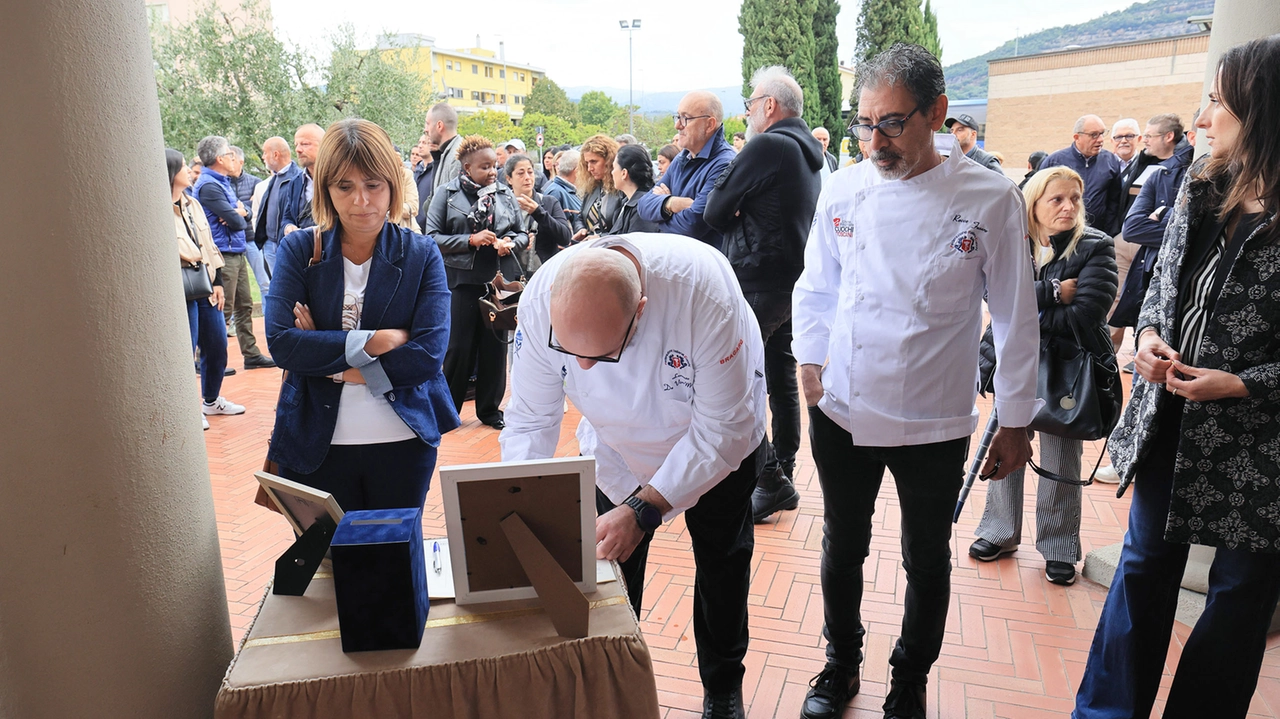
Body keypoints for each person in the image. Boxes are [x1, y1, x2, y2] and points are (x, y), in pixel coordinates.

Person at [792, 43, 1040, 719]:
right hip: (841, 406)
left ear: (937, 112)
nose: (875, 140)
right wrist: (810, 365)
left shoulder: (990, 199)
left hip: (934, 416)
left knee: (926, 558)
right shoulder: (842, 187)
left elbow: (1018, 319)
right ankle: (841, 662)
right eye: (864, 122)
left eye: (893, 123)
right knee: (842, 546)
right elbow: (817, 286)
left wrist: (1015, 419)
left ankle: (910, 677)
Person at [1073, 35, 1280, 719]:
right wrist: (1152, 336)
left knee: (1239, 596)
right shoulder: (1200, 180)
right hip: (1170, 414)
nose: (1205, 115)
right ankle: (1106, 713)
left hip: (1262, 443)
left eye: (1219, 100)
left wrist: (1243, 382)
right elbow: (1163, 282)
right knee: (1141, 569)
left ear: (1262, 109)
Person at [501, 237, 768, 719]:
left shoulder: (703, 296)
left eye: (600, 356)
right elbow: (531, 419)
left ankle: (724, 685)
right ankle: (611, 685)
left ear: (641, 311)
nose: (581, 367)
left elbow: (722, 430)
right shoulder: (543, 298)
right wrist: (519, 503)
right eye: (569, 352)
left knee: (722, 563)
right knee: (609, 573)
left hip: (716, 449)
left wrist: (646, 508)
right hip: (617, 449)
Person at [264, 118, 459, 512]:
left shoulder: (421, 254)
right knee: (332, 565)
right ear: (326, 189)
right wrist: (375, 341)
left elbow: (427, 356)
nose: (361, 201)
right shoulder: (300, 251)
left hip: (402, 440)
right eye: (345, 187)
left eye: (373, 185)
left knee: (396, 564)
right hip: (315, 441)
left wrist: (325, 356)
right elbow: (283, 344)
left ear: (391, 185)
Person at [970, 166, 1118, 585]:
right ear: (1033, 204)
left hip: (1069, 371)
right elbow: (991, 295)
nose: (1068, 207)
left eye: (1075, 198)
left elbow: (1086, 314)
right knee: (1006, 446)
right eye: (1056, 199)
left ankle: (1057, 548)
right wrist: (1051, 293)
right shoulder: (1014, 240)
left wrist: (1022, 311)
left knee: (1061, 459)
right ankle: (1000, 531)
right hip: (1015, 362)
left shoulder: (1095, 246)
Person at [705, 65, 824, 523]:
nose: (748, 113)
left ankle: (771, 478)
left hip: (758, 279)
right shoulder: (806, 151)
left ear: (769, 106)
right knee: (779, 377)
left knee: (732, 380)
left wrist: (736, 210)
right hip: (791, 280)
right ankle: (783, 472)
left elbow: (715, 210)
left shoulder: (768, 144)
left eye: (750, 104)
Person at [425, 135, 528, 430]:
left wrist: (511, 242)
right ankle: (448, 411)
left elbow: (521, 233)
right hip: (461, 282)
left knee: (495, 350)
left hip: (498, 281)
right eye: (485, 167)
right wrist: (470, 240)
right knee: (458, 348)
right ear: (467, 167)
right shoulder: (446, 194)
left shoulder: (504, 194)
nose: (492, 172)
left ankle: (490, 411)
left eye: (494, 166)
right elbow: (431, 237)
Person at [169, 148, 242, 429]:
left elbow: (208, 246)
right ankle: (187, 410)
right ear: (170, 172)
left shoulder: (193, 204)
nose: (190, 169)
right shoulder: (156, 212)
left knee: (217, 345)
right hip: (182, 289)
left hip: (206, 284)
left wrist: (218, 282)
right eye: (184, 166)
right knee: (185, 351)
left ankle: (211, 401)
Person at [193, 135, 276, 370]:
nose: (234, 159)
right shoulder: (209, 186)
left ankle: (251, 354)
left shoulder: (222, 182)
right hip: (223, 254)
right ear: (220, 159)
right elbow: (238, 222)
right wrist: (237, 214)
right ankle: (206, 360)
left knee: (244, 305)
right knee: (223, 308)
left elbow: (245, 215)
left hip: (235, 250)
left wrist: (240, 213)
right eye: (230, 155)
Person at [635, 92, 738, 250]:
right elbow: (643, 206)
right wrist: (671, 203)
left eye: (686, 118)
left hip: (704, 268)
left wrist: (660, 215)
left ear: (710, 124)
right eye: (677, 117)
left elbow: (693, 225)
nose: (677, 125)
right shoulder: (681, 158)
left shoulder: (724, 164)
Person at [1040, 114, 1123, 235]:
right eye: (1094, 135)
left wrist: (1109, 231)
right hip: (1059, 235)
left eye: (1102, 133)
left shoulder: (1111, 161)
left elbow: (1115, 201)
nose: (1100, 140)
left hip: (1097, 234)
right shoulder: (1054, 162)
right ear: (1077, 137)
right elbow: (1037, 198)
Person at [505, 153, 571, 269]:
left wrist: (538, 212)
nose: (527, 177)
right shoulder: (501, 205)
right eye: (521, 173)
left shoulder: (549, 202)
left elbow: (565, 237)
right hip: (511, 274)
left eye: (530, 172)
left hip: (544, 272)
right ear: (509, 179)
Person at [254, 136, 302, 280]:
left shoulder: (298, 178)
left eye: (265, 152)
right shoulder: (274, 179)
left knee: (289, 287)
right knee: (276, 286)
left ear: (276, 154)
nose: (263, 157)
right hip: (270, 244)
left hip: (286, 244)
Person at [227, 146, 266, 298]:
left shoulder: (256, 183)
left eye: (232, 158)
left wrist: (240, 206)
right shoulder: (222, 184)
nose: (228, 162)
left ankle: (268, 319)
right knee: (231, 289)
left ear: (241, 161)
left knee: (265, 284)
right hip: (231, 242)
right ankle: (230, 322)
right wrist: (246, 204)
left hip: (252, 239)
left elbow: (260, 206)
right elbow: (224, 206)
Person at [278, 123, 326, 240]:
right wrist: (289, 227)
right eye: (296, 145)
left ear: (324, 146)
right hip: (303, 253)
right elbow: (287, 217)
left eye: (305, 144)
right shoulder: (296, 182)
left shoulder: (338, 179)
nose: (298, 149)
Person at [574, 134, 623, 240]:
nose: (589, 168)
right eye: (586, 163)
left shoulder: (622, 188)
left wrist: (600, 237)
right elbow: (580, 217)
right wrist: (581, 229)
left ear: (609, 161)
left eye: (594, 162)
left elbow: (624, 229)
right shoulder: (593, 187)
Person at [607, 144, 662, 235]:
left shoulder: (642, 208)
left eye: (614, 168)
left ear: (624, 173)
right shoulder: (626, 202)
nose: (612, 172)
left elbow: (634, 246)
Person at [424, 102, 463, 207]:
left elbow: (455, 209)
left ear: (439, 126)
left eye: (427, 123)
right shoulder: (446, 153)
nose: (425, 129)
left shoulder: (457, 156)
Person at [544, 149, 584, 234]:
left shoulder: (569, 191)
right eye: (584, 167)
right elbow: (553, 231)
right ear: (577, 170)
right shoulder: (555, 193)